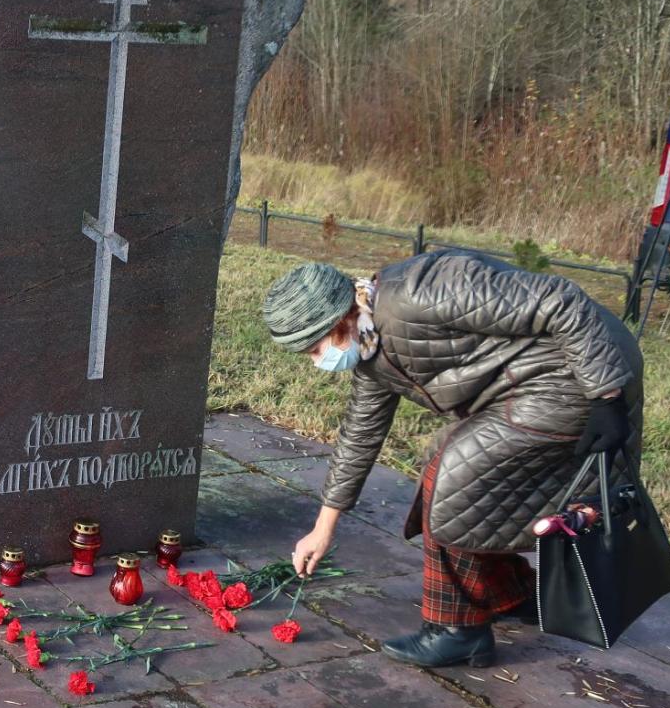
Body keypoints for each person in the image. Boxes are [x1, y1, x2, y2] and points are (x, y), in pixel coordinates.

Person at [261, 251, 642, 668]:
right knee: (456, 474)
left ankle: (458, 631)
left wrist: (606, 395)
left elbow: (560, 299)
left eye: (316, 349)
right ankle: (509, 595)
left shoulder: (420, 294)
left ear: (339, 320)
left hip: (578, 369)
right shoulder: (370, 351)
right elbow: (360, 437)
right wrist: (322, 529)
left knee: (453, 475)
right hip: (520, 388)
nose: (318, 363)